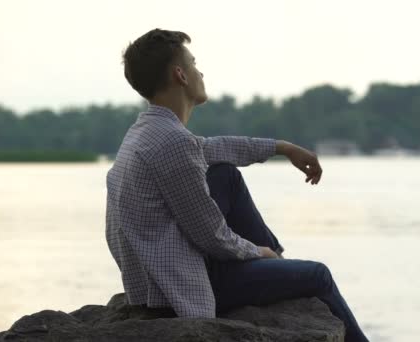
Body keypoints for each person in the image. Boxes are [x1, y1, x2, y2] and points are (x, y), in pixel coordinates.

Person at [105, 28, 370, 342]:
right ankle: (280, 267)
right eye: (193, 64)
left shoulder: (146, 130)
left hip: (158, 268)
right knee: (317, 275)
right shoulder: (174, 143)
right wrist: (258, 252)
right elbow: (211, 236)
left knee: (225, 174)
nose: (199, 71)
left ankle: (279, 266)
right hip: (178, 282)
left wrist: (282, 148)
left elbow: (214, 148)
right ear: (181, 75)